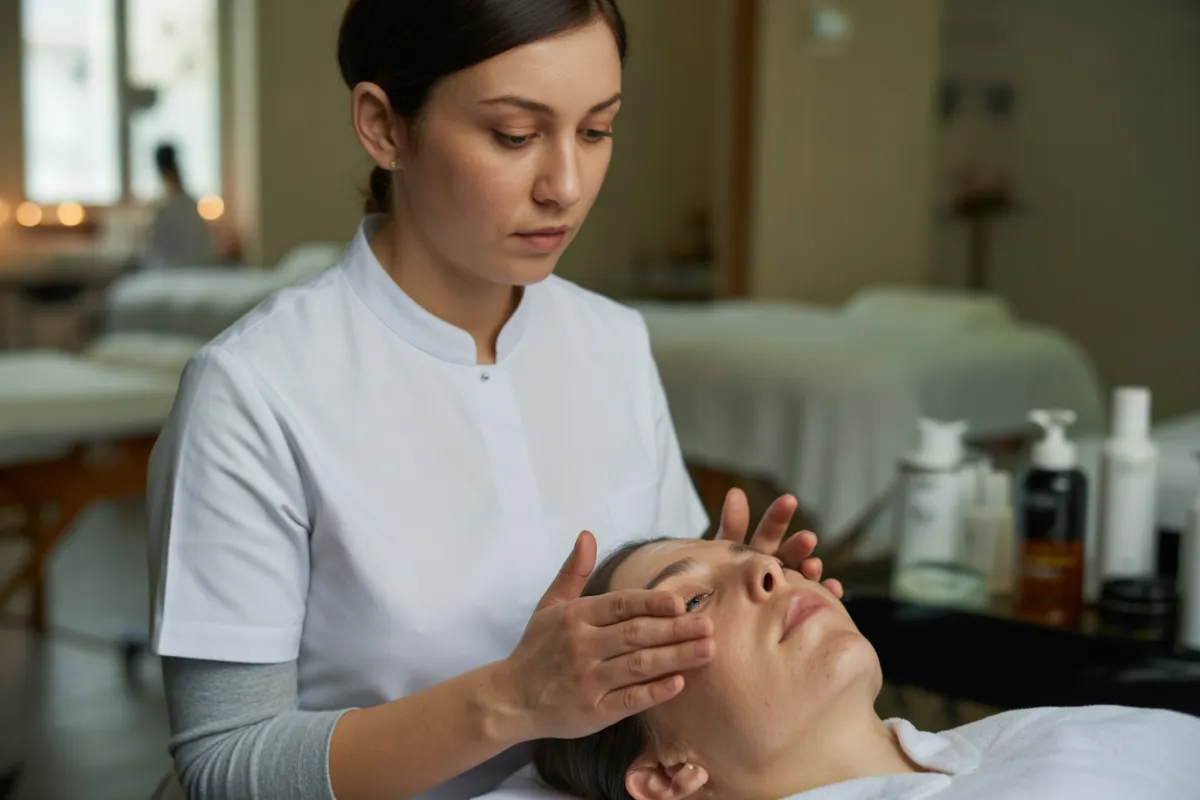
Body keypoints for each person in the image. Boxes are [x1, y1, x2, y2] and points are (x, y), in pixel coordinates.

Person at [145, 3, 843, 800]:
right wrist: (510, 700)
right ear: (383, 127)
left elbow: (650, 674)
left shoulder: (610, 341)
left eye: (595, 131)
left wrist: (736, 601)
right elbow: (225, 765)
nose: (566, 187)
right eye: (514, 135)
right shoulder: (255, 391)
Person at [491, 537, 1200, 800]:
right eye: (696, 597)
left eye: (756, 561)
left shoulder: (1097, 735)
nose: (771, 574)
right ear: (672, 772)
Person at [143, 143, 218, 269]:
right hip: (191, 271)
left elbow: (156, 251)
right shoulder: (189, 205)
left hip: (175, 273)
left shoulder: (166, 209)